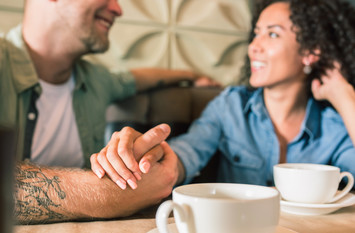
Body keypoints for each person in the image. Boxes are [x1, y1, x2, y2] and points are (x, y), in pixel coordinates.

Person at [91, 0, 355, 189]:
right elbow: (189, 151)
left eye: (272, 34)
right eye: (256, 34)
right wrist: (149, 154)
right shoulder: (231, 105)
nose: (254, 47)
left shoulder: (334, 125)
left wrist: (344, 94)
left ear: (310, 53)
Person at [0, 0, 217, 224]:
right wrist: (106, 195)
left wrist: (191, 76)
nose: (118, 9)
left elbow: (137, 78)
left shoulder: (97, 81)